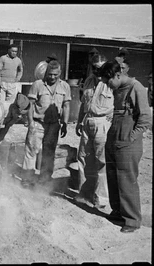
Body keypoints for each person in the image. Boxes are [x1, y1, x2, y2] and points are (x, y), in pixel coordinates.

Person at [100, 61, 152, 233]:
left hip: (128, 143)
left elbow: (145, 119)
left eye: (108, 82)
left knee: (127, 180)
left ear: (117, 75)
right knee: (113, 177)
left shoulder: (136, 88)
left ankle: (132, 220)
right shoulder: (117, 89)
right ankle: (117, 212)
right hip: (114, 138)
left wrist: (131, 138)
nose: (107, 86)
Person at [22, 60, 71, 186]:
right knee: (31, 150)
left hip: (54, 125)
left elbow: (66, 105)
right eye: (50, 74)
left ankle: (44, 180)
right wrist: (31, 122)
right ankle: (28, 179)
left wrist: (65, 123)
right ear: (46, 73)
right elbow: (30, 104)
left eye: (55, 74)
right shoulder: (38, 84)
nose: (52, 77)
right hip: (38, 123)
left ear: (60, 73)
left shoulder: (65, 86)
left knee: (49, 152)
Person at [74, 54, 112, 208]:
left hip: (103, 122)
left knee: (101, 161)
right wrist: (78, 121)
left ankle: (101, 198)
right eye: (95, 68)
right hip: (87, 121)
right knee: (83, 157)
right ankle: (84, 193)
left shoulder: (111, 83)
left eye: (100, 68)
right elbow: (84, 104)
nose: (97, 71)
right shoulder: (89, 80)